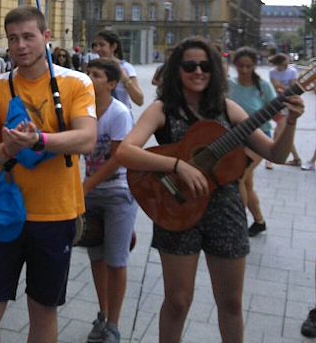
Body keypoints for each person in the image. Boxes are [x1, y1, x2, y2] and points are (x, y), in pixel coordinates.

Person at [115, 37, 304, 343]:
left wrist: (291, 123)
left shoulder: (227, 109)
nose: (198, 71)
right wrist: (178, 166)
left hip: (225, 210)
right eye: (189, 65)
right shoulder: (162, 109)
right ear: (178, 70)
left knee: (230, 303)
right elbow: (125, 151)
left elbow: (276, 154)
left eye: (205, 65)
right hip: (176, 209)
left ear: (214, 70)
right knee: (177, 302)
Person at [0, 5, 97, 343]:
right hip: (5, 213)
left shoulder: (76, 83)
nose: (21, 45)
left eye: (28, 36)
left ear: (46, 37)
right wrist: (10, 148)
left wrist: (38, 140)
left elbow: (86, 139)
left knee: (42, 311)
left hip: (56, 214)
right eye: (13, 39)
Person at [84, 58, 136, 343]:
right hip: (91, 194)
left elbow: (118, 158)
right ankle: (102, 314)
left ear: (112, 84)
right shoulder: (84, 111)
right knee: (97, 258)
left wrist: (87, 185)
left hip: (117, 192)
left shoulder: (119, 113)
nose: (89, 77)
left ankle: (114, 324)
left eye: (96, 75)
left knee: (116, 261)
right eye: (88, 72)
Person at [228, 47, 277, 236]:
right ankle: (259, 220)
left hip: (259, 138)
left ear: (255, 65)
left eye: (248, 66)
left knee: (238, 176)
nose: (244, 70)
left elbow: (274, 109)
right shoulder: (229, 84)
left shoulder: (263, 86)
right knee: (247, 182)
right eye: (240, 66)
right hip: (234, 139)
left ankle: (237, 222)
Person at [93, 31, 144, 110]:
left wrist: (125, 78)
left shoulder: (126, 68)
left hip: (120, 117)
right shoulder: (93, 68)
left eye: (102, 45)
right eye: (96, 45)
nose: (97, 49)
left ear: (114, 46)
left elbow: (139, 100)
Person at [269, 53, 302, 165]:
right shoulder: (273, 72)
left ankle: (270, 159)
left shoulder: (292, 71)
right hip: (277, 104)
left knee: (279, 131)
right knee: (280, 131)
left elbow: (293, 89)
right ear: (279, 64)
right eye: (285, 62)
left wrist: (281, 86)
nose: (287, 64)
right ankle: (295, 158)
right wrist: (277, 86)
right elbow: (274, 87)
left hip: (289, 103)